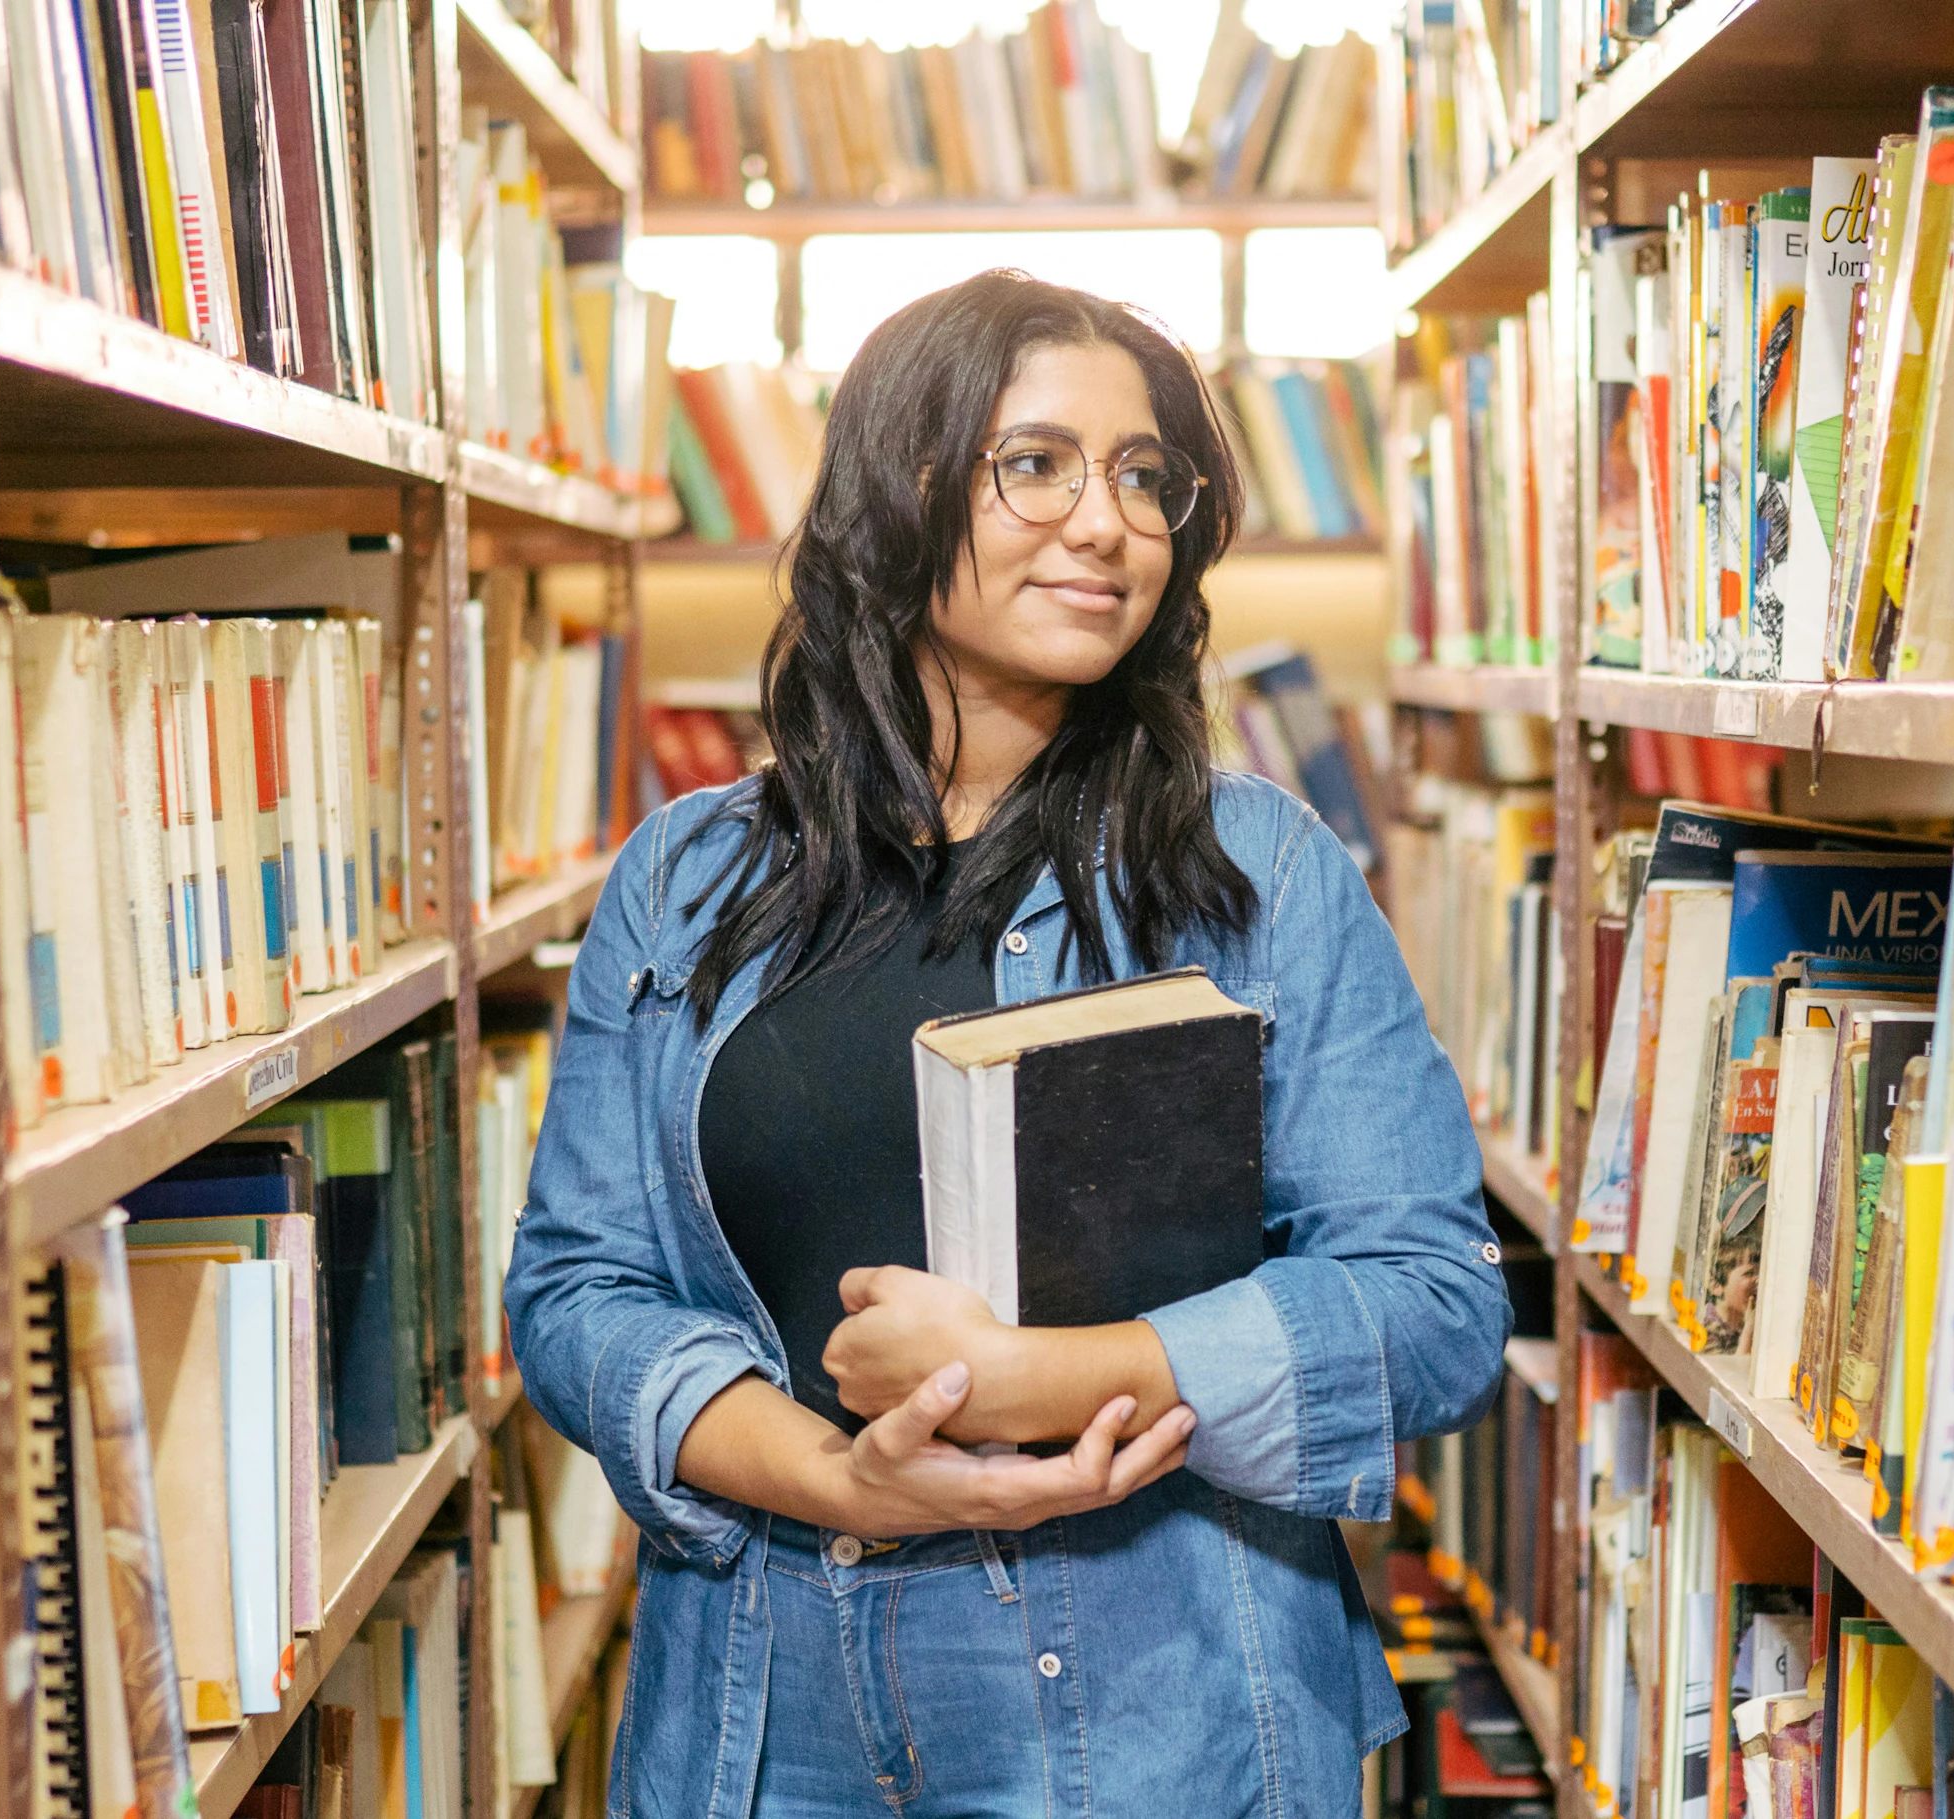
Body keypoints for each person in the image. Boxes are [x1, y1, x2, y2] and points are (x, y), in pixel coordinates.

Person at [504, 269, 1504, 1817]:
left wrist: (1038, 1377)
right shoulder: (683, 876)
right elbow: (577, 1291)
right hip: (768, 1720)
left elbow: (1432, 1301)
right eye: (1035, 463)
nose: (1107, 523)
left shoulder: (1266, 875)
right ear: (896, 496)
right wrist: (837, 1474)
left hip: (1163, 1718)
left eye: (1145, 476)